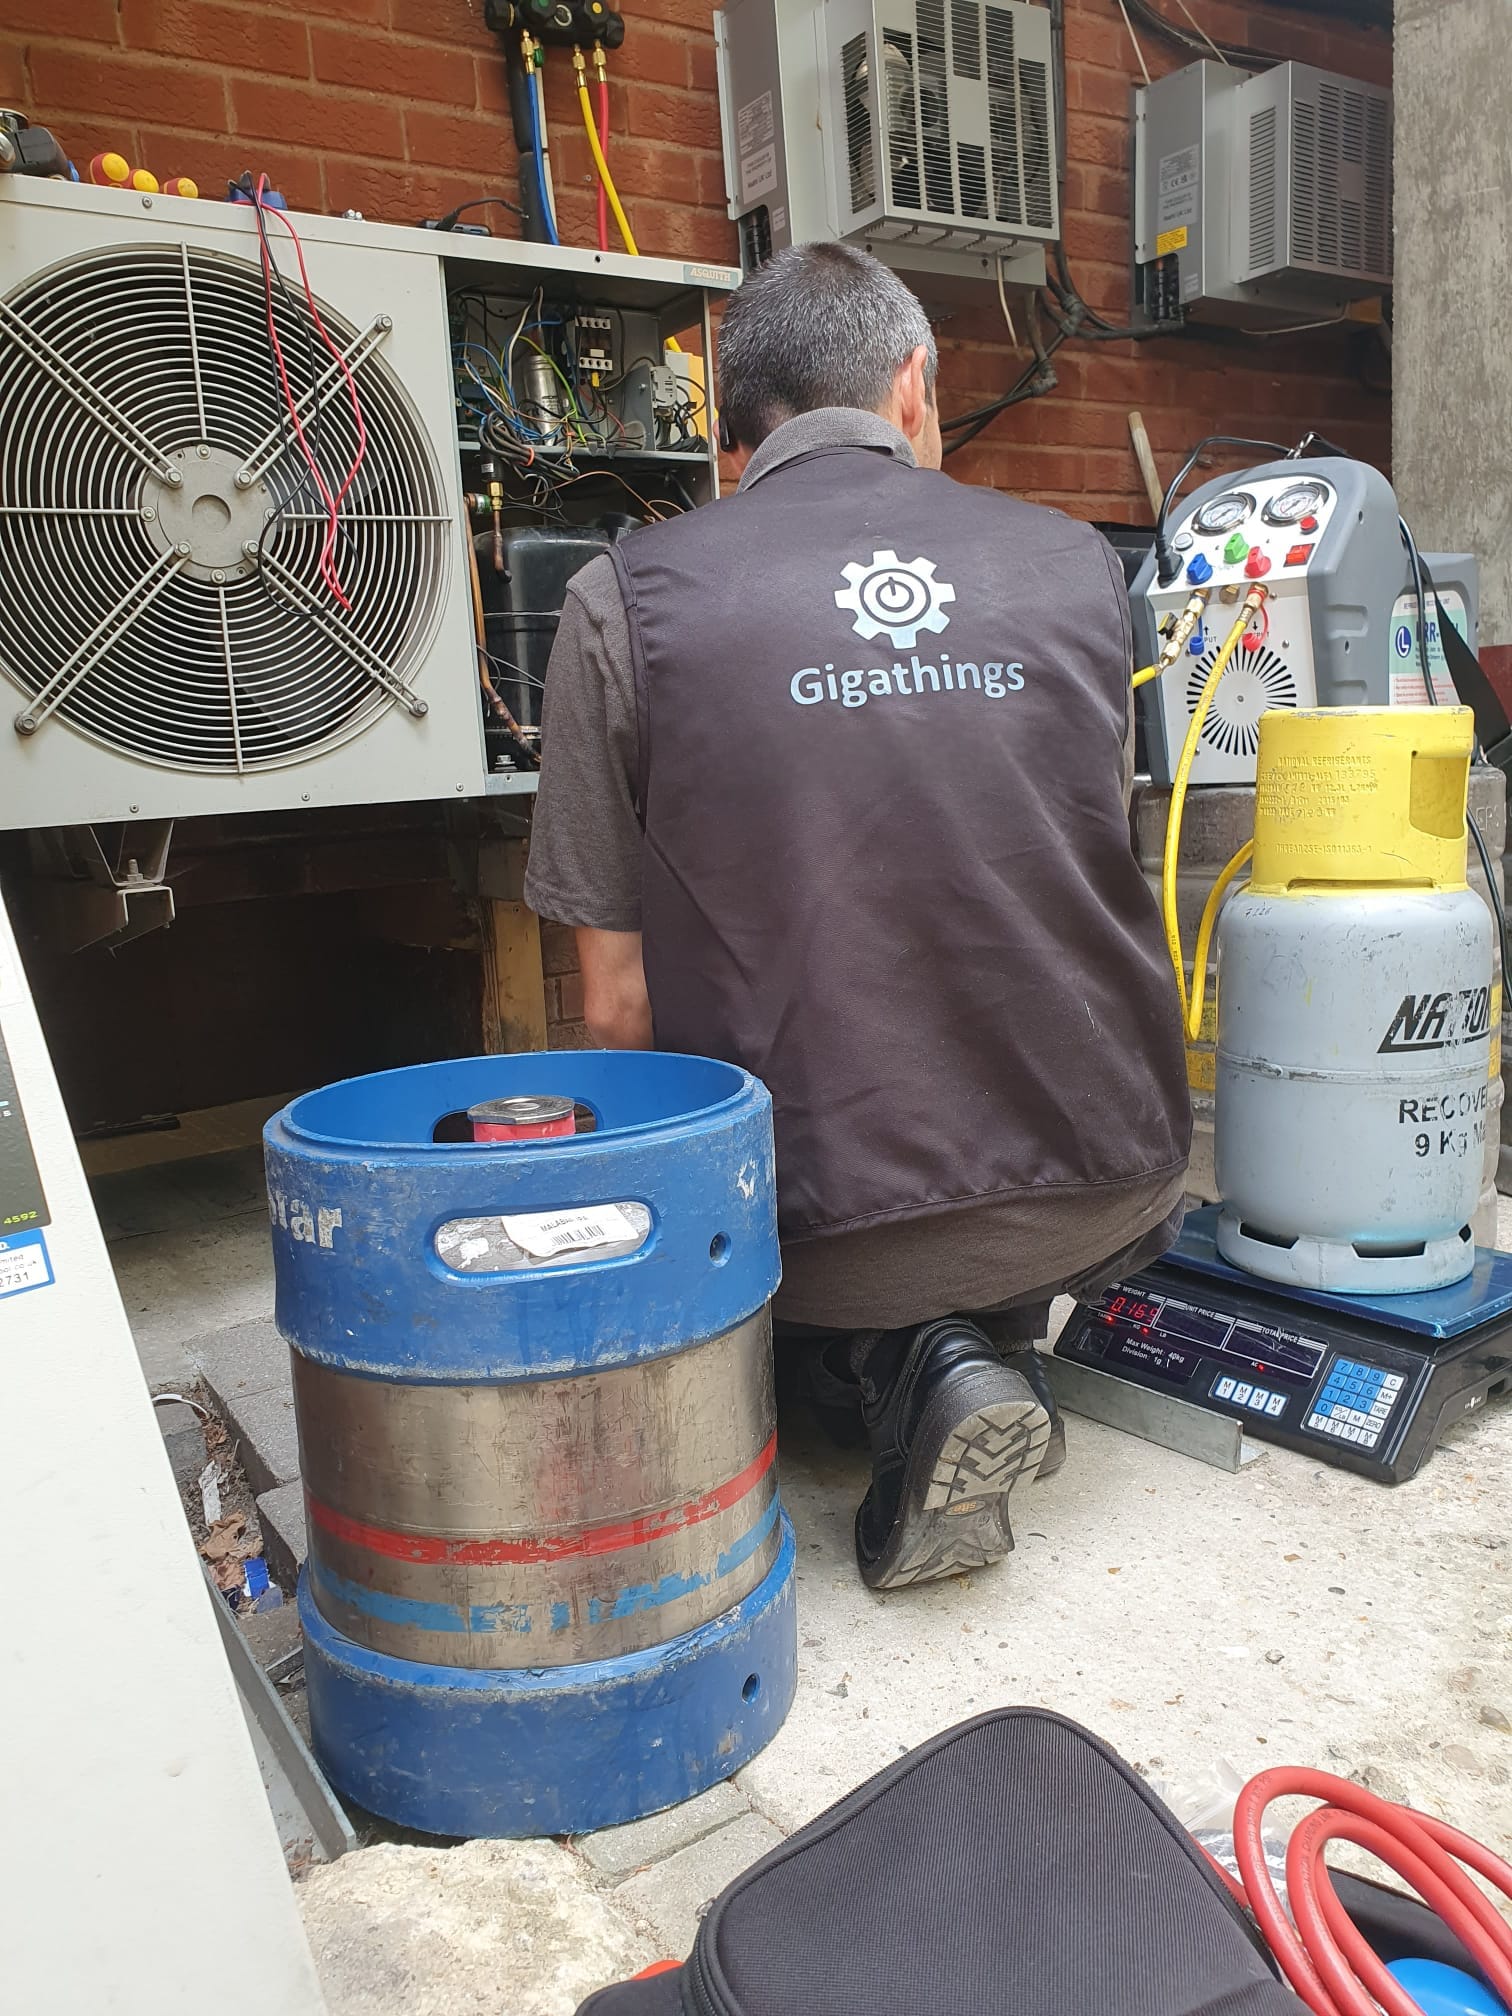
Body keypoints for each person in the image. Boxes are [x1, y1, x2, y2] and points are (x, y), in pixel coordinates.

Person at [524, 242, 1191, 1591]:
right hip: (1110, 1180)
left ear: (731, 439)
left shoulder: (624, 603)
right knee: (939, 1241)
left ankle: (904, 1361)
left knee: (785, 1312)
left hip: (814, 1239)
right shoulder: (1078, 565)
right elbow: (1089, 861)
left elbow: (615, 1008)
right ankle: (976, 1347)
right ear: (915, 389)